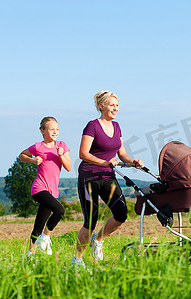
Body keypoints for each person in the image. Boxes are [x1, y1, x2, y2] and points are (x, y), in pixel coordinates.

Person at [72, 90, 144, 269]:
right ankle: (77, 260)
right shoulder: (92, 126)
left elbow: (122, 153)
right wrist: (104, 162)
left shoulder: (117, 126)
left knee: (121, 214)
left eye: (117, 105)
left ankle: (98, 239)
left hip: (107, 176)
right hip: (89, 176)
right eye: (112, 105)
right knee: (91, 220)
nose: (115, 108)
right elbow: (83, 153)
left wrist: (133, 162)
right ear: (101, 106)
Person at [19, 116, 72, 258]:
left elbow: (68, 167)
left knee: (39, 224)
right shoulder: (37, 147)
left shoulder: (62, 145)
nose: (55, 132)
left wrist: (61, 155)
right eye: (51, 129)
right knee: (59, 210)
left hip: (52, 191)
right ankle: (46, 238)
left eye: (57, 129)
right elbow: (21, 155)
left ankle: (30, 255)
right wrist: (32, 160)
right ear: (42, 131)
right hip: (39, 188)